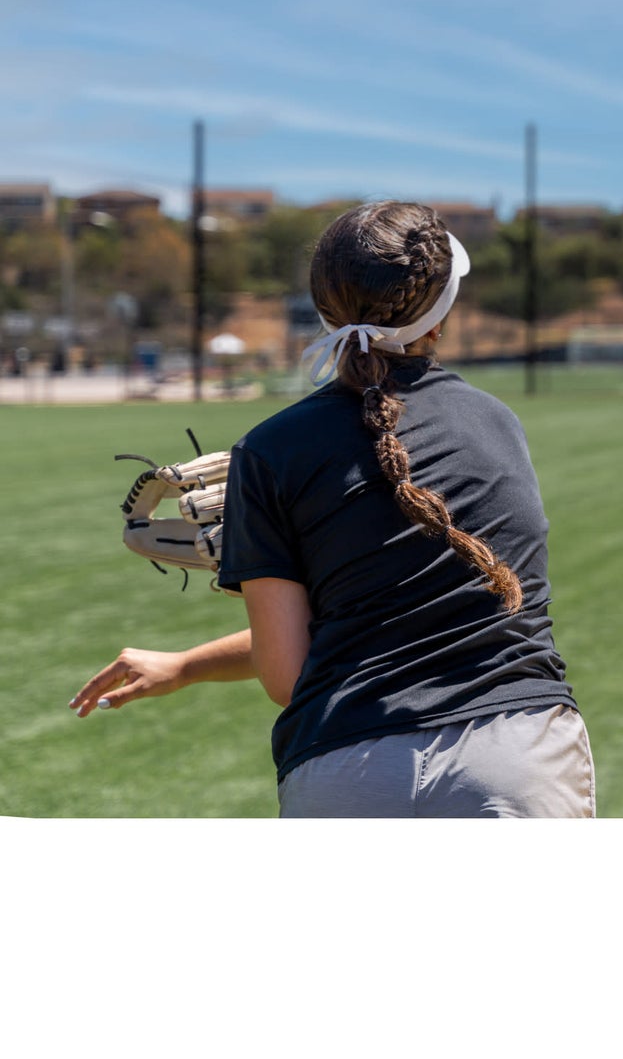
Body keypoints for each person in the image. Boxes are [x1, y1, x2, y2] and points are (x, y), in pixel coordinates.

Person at [72, 201, 594, 819]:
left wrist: (236, 620)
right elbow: (420, 621)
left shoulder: (270, 452)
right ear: (444, 307)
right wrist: (189, 665)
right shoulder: (497, 425)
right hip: (517, 758)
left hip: (346, 768)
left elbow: (291, 674)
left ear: (322, 310)